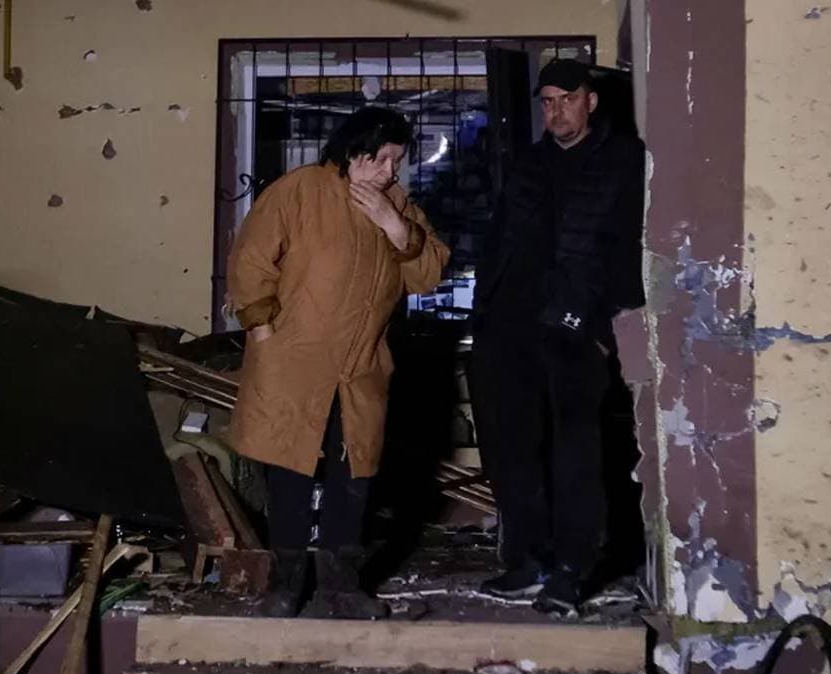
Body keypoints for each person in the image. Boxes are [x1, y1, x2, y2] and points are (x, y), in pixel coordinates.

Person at [227, 107, 450, 618]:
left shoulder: (397, 204)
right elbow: (251, 258)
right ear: (356, 152)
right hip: (294, 360)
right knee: (288, 474)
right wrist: (262, 331)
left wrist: (396, 228)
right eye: (385, 159)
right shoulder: (300, 190)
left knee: (355, 476)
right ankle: (285, 587)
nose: (392, 171)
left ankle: (341, 587)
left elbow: (428, 275)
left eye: (397, 161)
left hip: (362, 366)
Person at [470, 59, 646, 618]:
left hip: (573, 329)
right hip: (510, 327)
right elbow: (500, 237)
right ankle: (528, 560)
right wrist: (485, 310)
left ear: (590, 101)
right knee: (512, 447)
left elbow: (625, 248)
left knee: (574, 453)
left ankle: (572, 569)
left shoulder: (623, 160)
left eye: (565, 99)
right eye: (546, 101)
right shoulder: (529, 162)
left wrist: (598, 325)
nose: (555, 111)